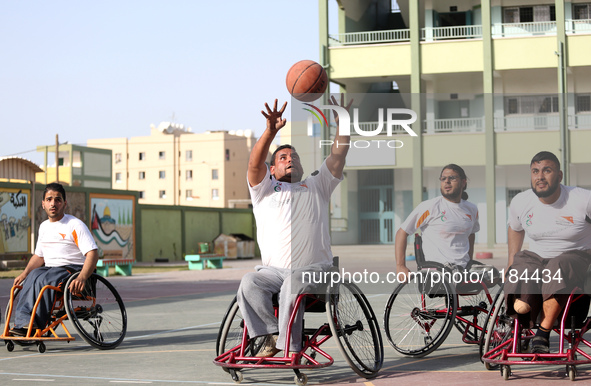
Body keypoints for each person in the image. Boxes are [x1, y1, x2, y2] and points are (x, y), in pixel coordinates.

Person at [237, 95, 351, 358]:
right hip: (274, 273)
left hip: (316, 271)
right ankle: (270, 334)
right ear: (273, 168)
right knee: (249, 281)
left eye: (295, 157)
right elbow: (254, 164)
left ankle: (290, 348)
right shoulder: (264, 190)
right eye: (283, 157)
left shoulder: (317, 184)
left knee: (294, 281)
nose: (290, 160)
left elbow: (338, 154)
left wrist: (342, 124)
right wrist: (270, 131)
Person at [504, 151, 591, 354]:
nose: (540, 176)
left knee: (556, 266)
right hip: (537, 256)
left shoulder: (582, 199)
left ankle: (542, 333)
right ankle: (522, 321)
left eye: (547, 170)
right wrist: (510, 261)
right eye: (535, 171)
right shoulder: (520, 201)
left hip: (575, 255)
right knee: (520, 265)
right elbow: (515, 228)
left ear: (559, 176)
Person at [9, 182, 99, 336]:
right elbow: (39, 256)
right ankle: (23, 323)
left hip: (72, 269)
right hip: (50, 269)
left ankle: (36, 325)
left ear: (64, 204)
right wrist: (24, 274)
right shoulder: (44, 227)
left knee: (46, 279)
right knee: (32, 277)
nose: (53, 203)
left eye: (58, 200)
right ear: (43, 204)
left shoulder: (74, 225)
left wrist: (83, 277)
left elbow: (92, 253)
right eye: (49, 199)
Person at [395, 164, 480, 277]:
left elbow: (471, 234)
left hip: (462, 268)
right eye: (443, 178)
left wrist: (469, 261)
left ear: (463, 182)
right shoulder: (430, 207)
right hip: (438, 270)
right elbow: (402, 232)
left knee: (493, 276)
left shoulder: (471, 209)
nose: (447, 181)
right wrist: (400, 266)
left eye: (452, 178)